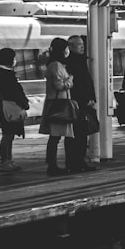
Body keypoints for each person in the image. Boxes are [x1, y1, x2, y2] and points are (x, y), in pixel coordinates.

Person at [41, 38, 75, 176]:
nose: (67, 51)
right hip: (58, 104)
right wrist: (70, 80)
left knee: (55, 137)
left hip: (56, 103)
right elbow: (59, 85)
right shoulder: (56, 65)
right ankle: (52, 166)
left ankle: (52, 164)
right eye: (66, 48)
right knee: (55, 137)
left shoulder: (56, 64)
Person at [66, 35, 97, 172]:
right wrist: (86, 99)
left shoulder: (81, 61)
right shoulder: (72, 63)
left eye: (82, 44)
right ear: (71, 47)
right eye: (79, 44)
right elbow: (77, 85)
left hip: (83, 103)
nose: (82, 46)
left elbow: (88, 82)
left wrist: (92, 97)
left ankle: (79, 161)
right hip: (76, 104)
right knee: (76, 135)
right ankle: (74, 162)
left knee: (82, 134)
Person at [0, 47, 29, 172]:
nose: (15, 60)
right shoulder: (7, 75)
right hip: (9, 109)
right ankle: (4, 161)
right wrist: (24, 103)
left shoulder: (3, 73)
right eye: (13, 57)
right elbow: (14, 93)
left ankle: (8, 159)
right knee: (7, 135)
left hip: (7, 108)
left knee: (9, 135)